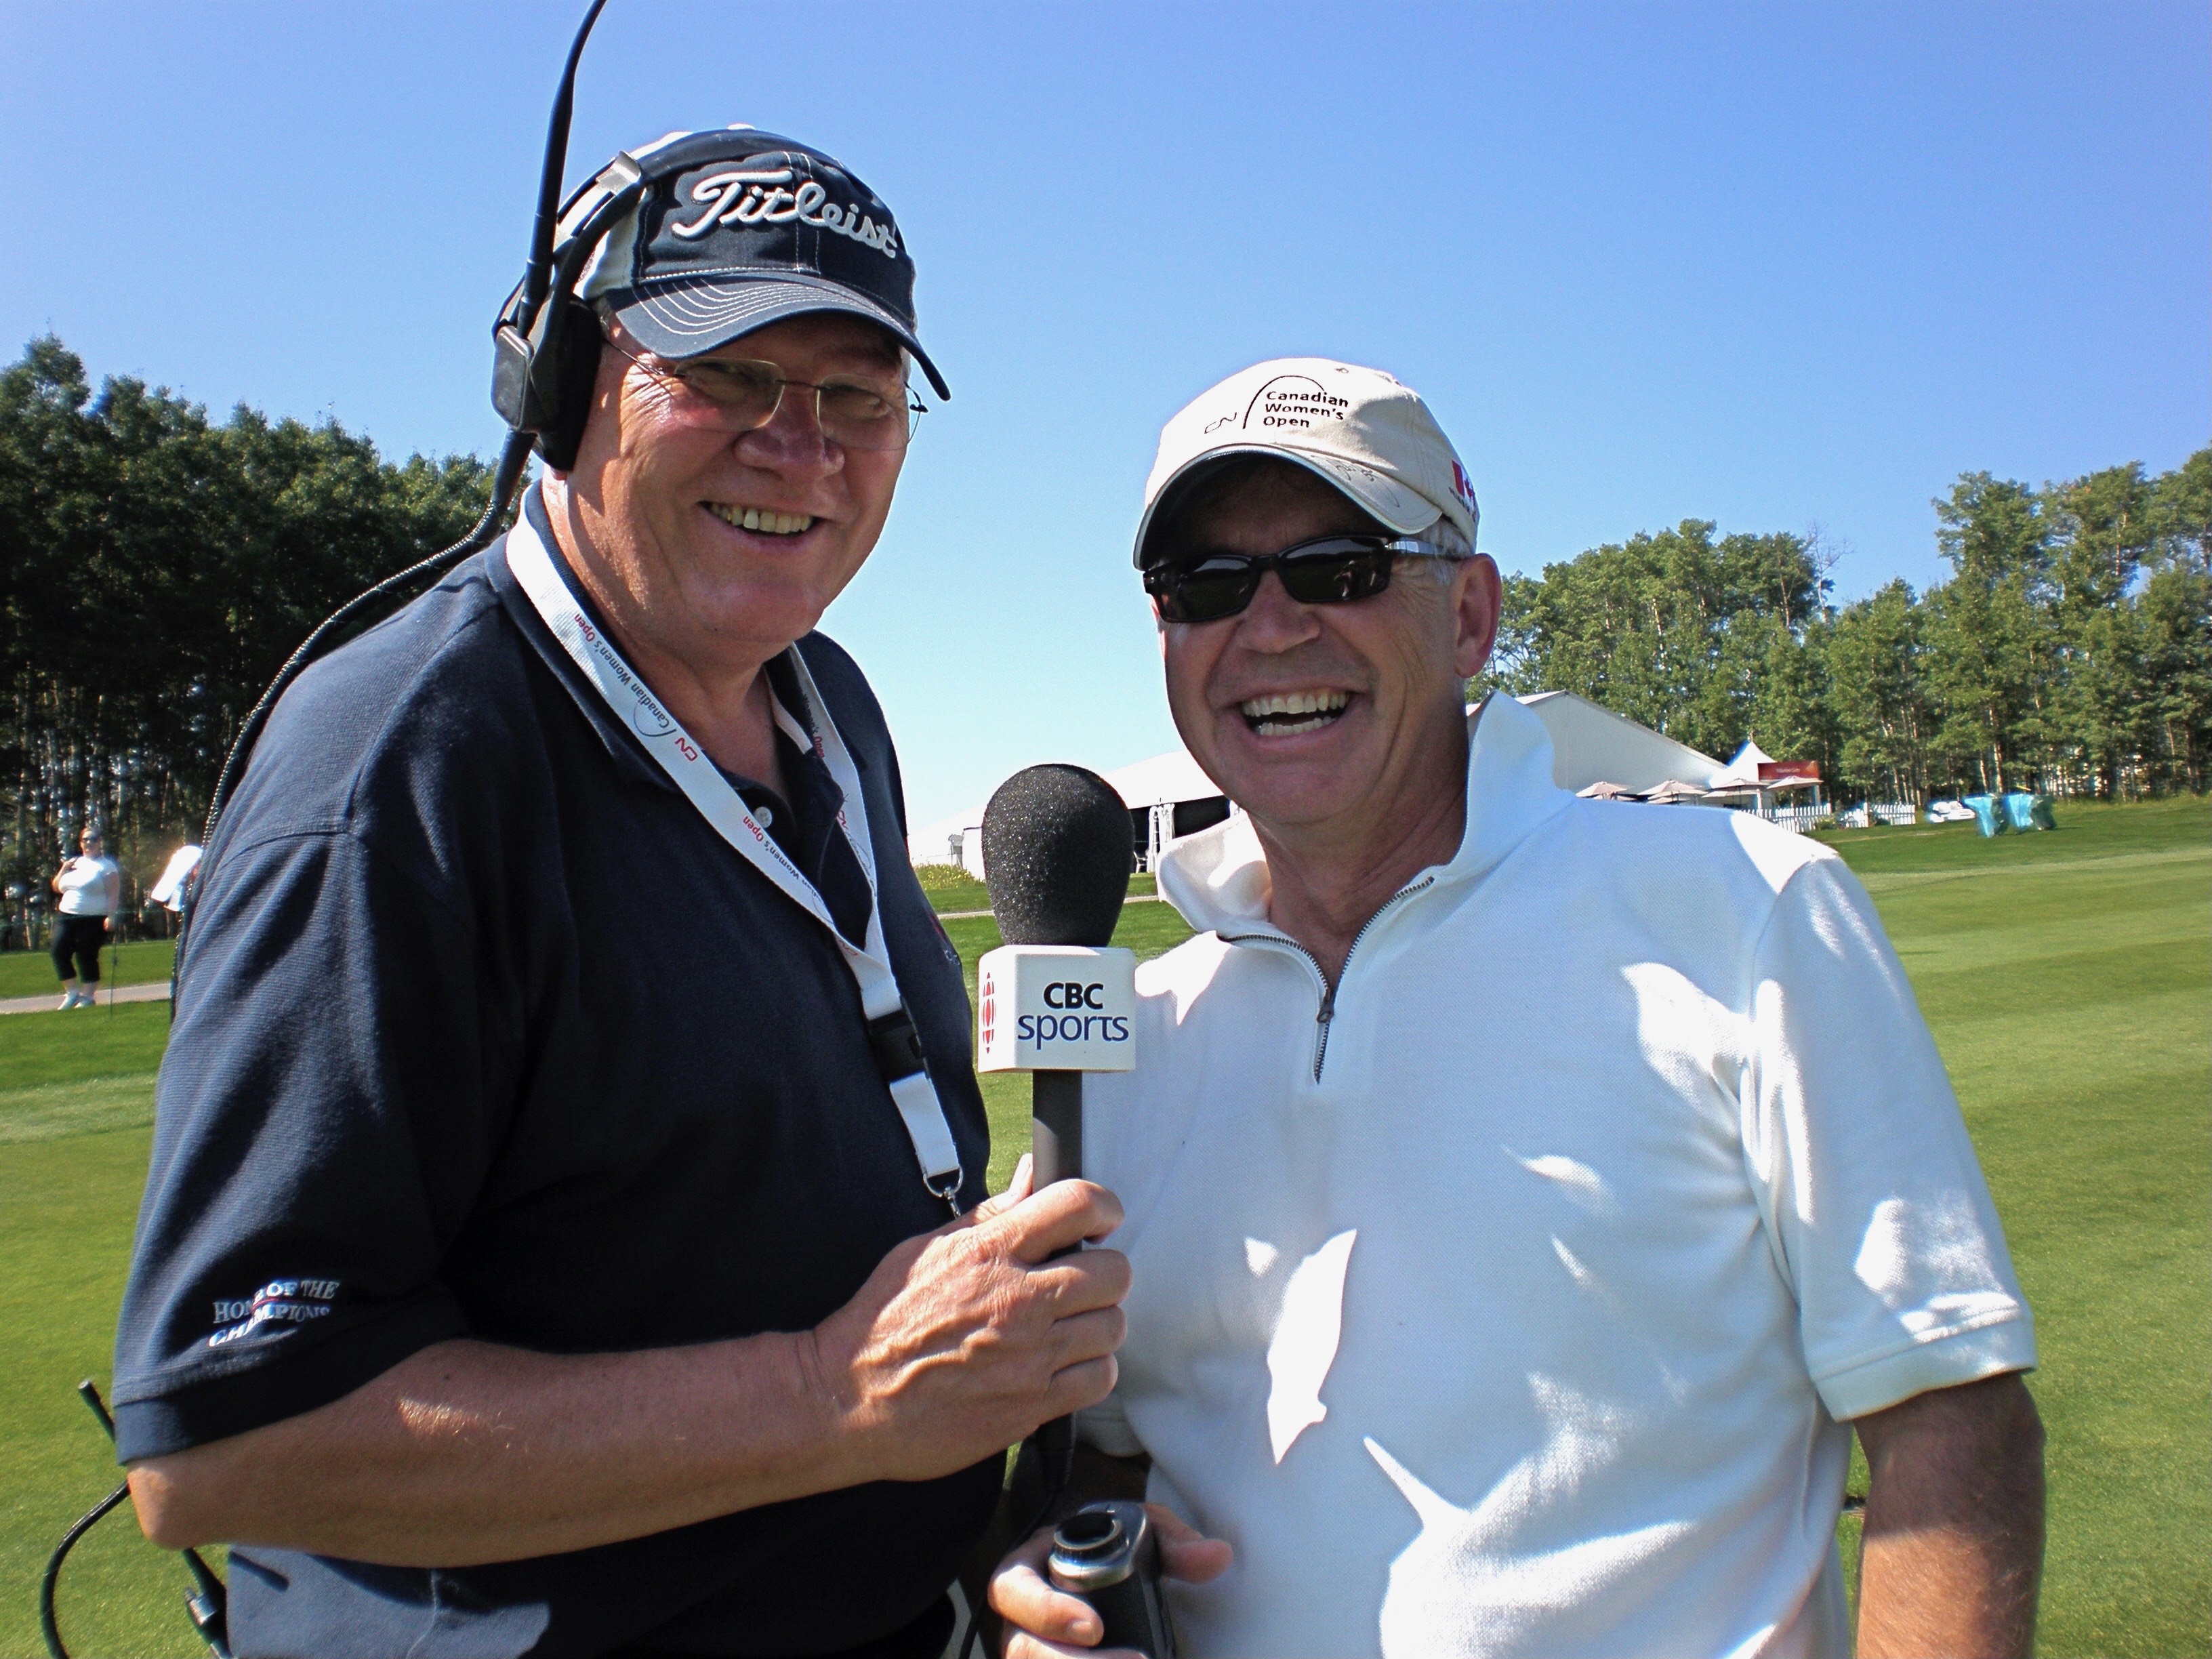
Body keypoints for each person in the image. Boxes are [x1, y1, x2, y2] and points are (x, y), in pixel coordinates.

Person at [112, 128, 1128, 1659]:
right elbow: (220, 1440)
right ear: (561, 382)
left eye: (856, 397)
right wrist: (830, 1394)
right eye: (723, 376)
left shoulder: (831, 705)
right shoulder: (399, 764)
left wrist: (974, 1521)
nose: (801, 449)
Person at [990, 359, 2044, 1658]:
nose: (1267, 628)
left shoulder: (1743, 910)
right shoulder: (1136, 1029)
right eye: (1206, 585)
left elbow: (1949, 1421)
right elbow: (1112, 1459)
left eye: (1338, 567)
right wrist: (1058, 1569)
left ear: (1470, 616)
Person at [49, 821, 121, 1010]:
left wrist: (111, 916)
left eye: (93, 839)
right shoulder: (75, 863)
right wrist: (64, 869)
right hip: (67, 915)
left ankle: (88, 997)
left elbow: (114, 892)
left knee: (87, 955)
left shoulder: (106, 867)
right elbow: (57, 887)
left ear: (100, 842)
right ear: (80, 843)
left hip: (93, 918)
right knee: (59, 951)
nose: (89, 843)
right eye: (85, 840)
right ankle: (72, 993)